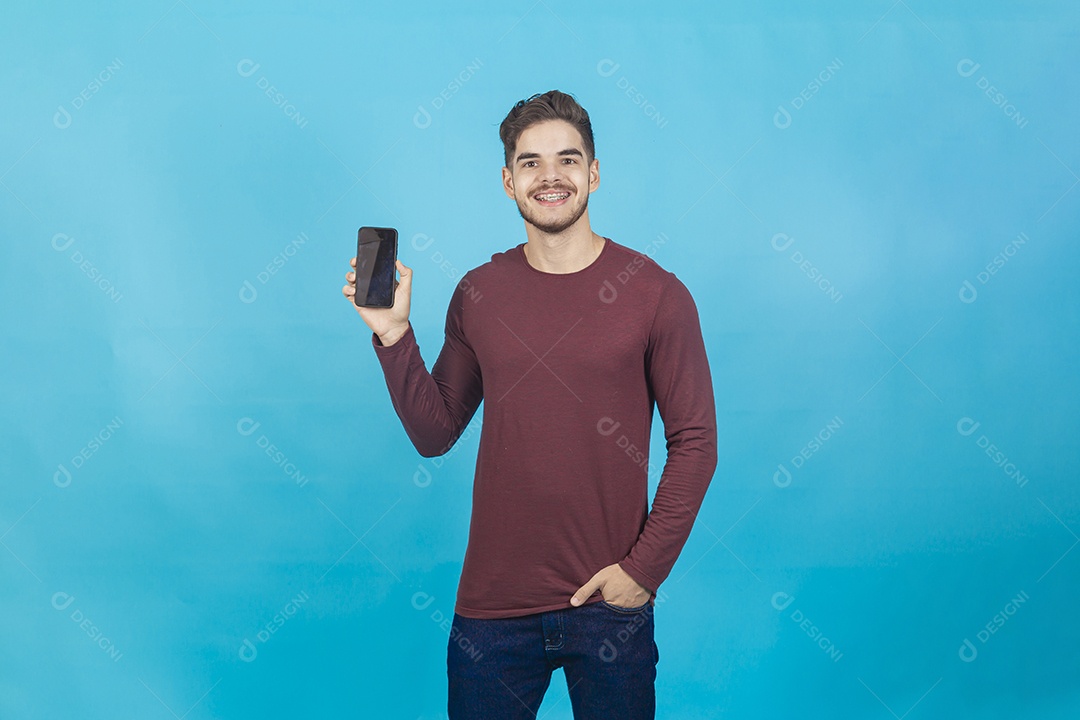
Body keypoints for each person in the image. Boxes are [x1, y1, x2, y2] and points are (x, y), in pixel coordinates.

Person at [341, 90, 718, 719]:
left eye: (568, 161)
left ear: (593, 173)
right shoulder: (480, 292)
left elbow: (696, 441)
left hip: (609, 610)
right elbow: (435, 432)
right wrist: (392, 334)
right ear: (508, 181)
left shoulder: (656, 294)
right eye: (531, 163)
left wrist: (643, 572)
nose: (550, 177)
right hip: (492, 614)